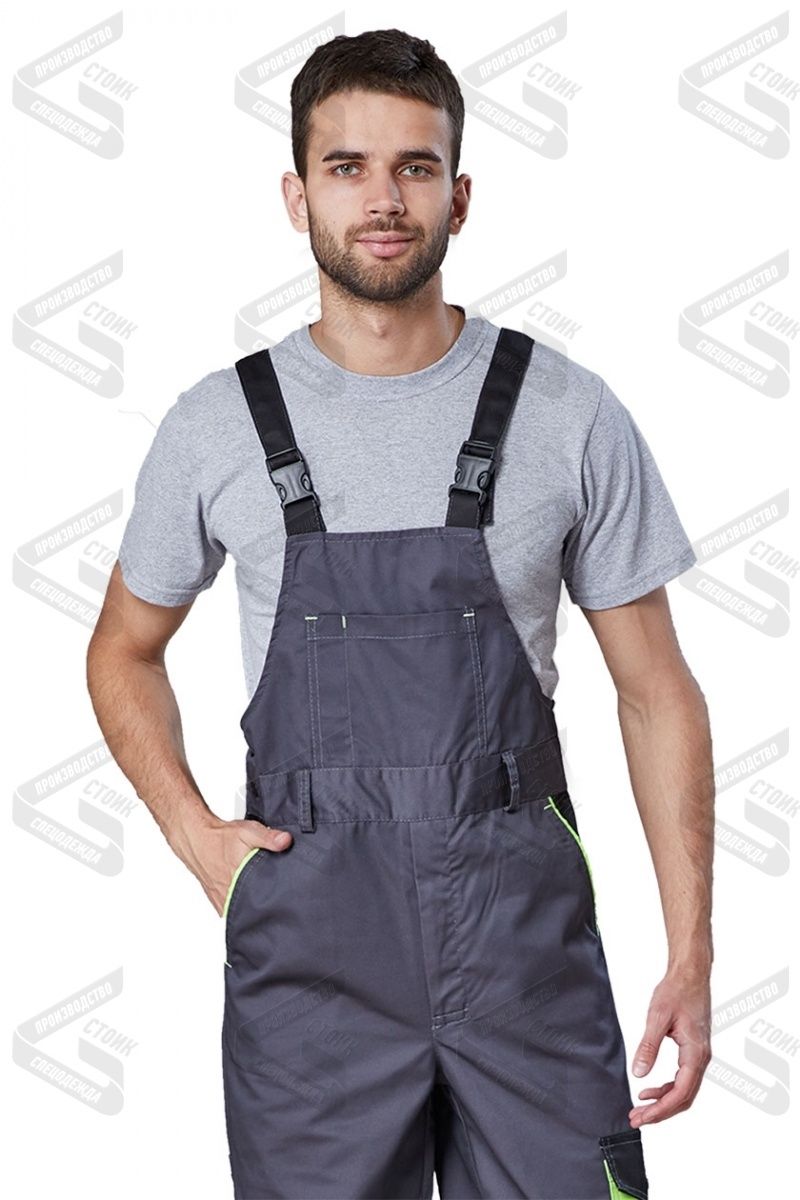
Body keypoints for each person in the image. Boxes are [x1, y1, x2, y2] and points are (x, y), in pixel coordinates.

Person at [86, 27, 714, 1200]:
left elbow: (655, 691)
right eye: (347, 167)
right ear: (297, 195)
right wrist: (195, 838)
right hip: (311, 973)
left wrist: (690, 950)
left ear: (458, 195)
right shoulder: (217, 429)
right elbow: (124, 650)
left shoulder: (568, 415)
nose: (382, 199)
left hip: (522, 962)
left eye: (414, 168)